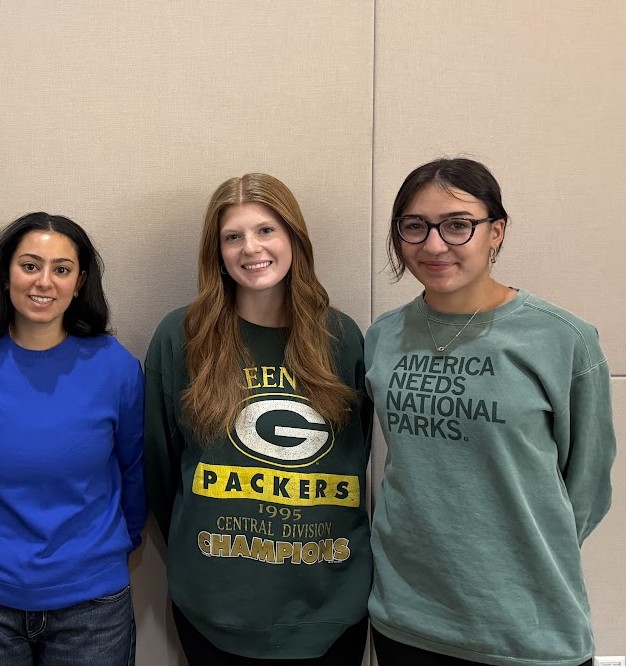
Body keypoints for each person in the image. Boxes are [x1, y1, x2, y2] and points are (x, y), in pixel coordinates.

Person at [366, 158, 616, 666]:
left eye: (458, 225)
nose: (434, 245)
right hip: (407, 619)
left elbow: (586, 487)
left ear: (496, 231)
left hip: (529, 628)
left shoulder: (561, 339)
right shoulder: (383, 337)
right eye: (414, 227)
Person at [145, 173, 372, 664]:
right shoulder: (181, 336)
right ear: (217, 252)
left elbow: (358, 457)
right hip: (216, 606)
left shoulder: (343, 337)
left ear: (294, 237)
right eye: (233, 236)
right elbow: (159, 471)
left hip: (329, 605)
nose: (251, 248)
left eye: (266, 230)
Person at [0, 212, 146, 666]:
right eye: (30, 265)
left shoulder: (115, 367)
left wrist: (108, 554)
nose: (44, 282)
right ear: (5, 273)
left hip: (93, 607)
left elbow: (135, 470)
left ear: (80, 281)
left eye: (61, 269)